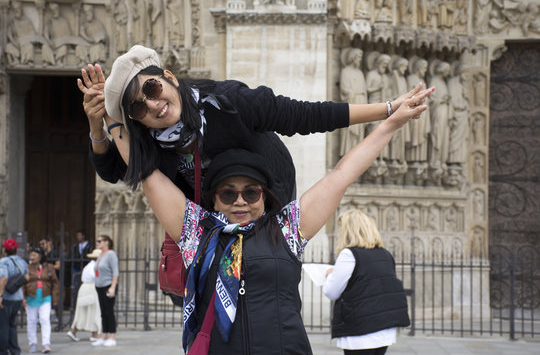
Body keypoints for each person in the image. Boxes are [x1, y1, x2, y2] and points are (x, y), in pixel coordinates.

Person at [102, 76, 432, 352]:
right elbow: (147, 176)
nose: (240, 201)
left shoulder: (287, 229)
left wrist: (391, 121)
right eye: (228, 193)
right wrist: (108, 120)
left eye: (251, 192)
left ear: (265, 194)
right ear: (213, 200)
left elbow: (342, 174)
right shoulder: (197, 233)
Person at [77, 45, 428, 206]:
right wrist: (100, 124)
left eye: (152, 89)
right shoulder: (145, 138)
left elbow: (304, 115)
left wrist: (386, 110)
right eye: (137, 107)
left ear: (168, 77)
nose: (152, 104)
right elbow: (113, 170)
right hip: (208, 226)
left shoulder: (229, 102)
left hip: (267, 204)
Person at [323, 210, 410, 355]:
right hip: (384, 328)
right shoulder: (385, 254)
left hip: (360, 330)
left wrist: (328, 276)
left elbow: (331, 292)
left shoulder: (349, 254)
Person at [23, 248, 59, 354]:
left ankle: (46, 344)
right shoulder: (27, 268)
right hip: (31, 296)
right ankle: (33, 343)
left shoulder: (49, 268)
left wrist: (55, 297)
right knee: (31, 321)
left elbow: (55, 283)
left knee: (45, 320)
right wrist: (23, 297)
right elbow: (23, 283)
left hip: (45, 296)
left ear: (40, 256)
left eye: (34, 255)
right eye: (31, 255)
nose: (32, 257)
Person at [0, 239, 29, 355]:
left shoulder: (3, 262)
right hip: (17, 298)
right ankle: (15, 350)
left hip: (6, 297)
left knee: (3, 326)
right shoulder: (22, 261)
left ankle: (3, 350)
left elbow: (4, 278)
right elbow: (26, 278)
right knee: (12, 325)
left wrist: (0, 295)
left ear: (4, 250)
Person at [67, 249, 102, 343]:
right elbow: (95, 277)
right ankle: (94, 334)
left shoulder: (89, 266)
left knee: (82, 310)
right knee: (94, 310)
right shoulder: (95, 267)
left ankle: (73, 331)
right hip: (92, 288)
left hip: (85, 287)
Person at [92, 235, 118, 347]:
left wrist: (112, 287)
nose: (97, 243)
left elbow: (115, 272)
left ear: (106, 242)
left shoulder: (111, 254)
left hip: (108, 285)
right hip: (99, 286)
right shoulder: (100, 255)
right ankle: (104, 335)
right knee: (103, 312)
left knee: (109, 311)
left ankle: (112, 336)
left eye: (99, 241)